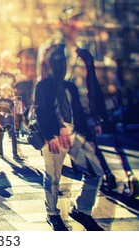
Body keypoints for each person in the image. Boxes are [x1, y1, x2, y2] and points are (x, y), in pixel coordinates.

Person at [35, 44, 104, 231]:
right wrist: (51, 137)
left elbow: (79, 114)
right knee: (53, 177)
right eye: (57, 61)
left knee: (95, 171)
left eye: (63, 61)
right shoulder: (43, 86)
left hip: (75, 135)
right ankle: (52, 213)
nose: (61, 65)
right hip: (54, 138)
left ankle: (82, 210)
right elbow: (41, 111)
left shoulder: (70, 86)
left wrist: (87, 138)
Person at [0, 84, 24, 161]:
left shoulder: (10, 101)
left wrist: (16, 120)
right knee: (0, 137)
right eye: (4, 90)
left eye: (7, 90)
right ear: (1, 91)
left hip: (10, 120)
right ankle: (0, 152)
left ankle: (15, 154)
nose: (5, 91)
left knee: (13, 137)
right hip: (1, 120)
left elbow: (13, 110)